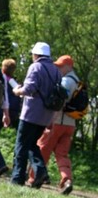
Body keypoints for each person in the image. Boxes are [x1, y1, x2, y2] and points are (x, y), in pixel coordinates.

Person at [11, 42, 61, 187]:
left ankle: (17, 178)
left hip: (31, 114)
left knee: (21, 146)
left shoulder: (36, 67)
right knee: (32, 144)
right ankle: (41, 171)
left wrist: (17, 91)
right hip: (46, 115)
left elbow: (29, 88)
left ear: (36, 54)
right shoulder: (56, 70)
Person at [28, 55, 79, 194]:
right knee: (62, 154)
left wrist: (50, 120)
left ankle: (33, 178)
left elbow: (59, 101)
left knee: (43, 148)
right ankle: (66, 180)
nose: (59, 68)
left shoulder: (66, 82)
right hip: (70, 125)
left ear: (69, 66)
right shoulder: (78, 82)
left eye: (61, 66)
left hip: (57, 122)